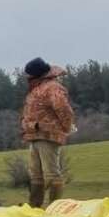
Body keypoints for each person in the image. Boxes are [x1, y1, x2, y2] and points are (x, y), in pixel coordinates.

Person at [20, 57, 76, 208]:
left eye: (29, 74)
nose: (26, 77)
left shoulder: (53, 87)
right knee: (36, 175)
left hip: (48, 135)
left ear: (36, 75)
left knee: (51, 174)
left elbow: (64, 109)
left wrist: (65, 127)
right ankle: (34, 208)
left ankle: (54, 208)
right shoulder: (37, 87)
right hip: (35, 135)